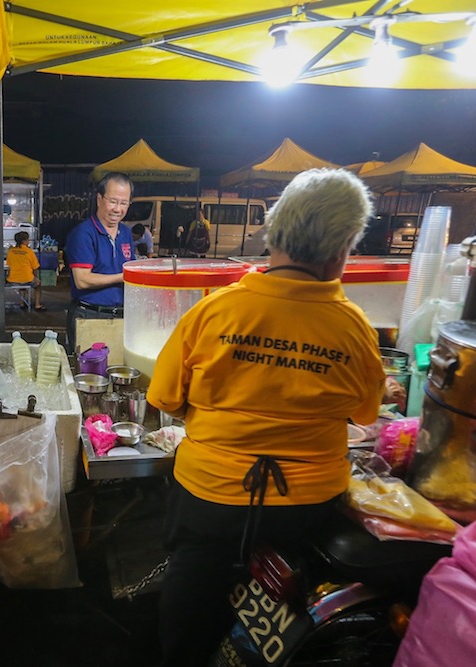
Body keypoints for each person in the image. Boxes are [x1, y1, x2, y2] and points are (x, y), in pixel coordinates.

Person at [147, 169, 387, 667]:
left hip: (211, 496)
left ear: (273, 234)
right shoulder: (354, 327)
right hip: (307, 505)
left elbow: (165, 397)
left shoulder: (217, 310)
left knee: (190, 598)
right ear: (341, 250)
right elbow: (365, 414)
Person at [64, 171, 136, 352]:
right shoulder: (84, 234)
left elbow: (131, 268)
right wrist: (123, 277)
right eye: (113, 201)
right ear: (99, 199)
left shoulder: (126, 233)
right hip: (90, 316)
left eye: (123, 203)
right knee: (91, 374)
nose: (118, 209)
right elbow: (82, 280)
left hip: (120, 316)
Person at [6, 231, 45, 311]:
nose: (28, 242)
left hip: (12, 280)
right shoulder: (29, 252)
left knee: (22, 285)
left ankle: (22, 303)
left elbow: (8, 266)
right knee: (38, 284)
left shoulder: (11, 251)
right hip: (27, 279)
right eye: (28, 240)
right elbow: (35, 267)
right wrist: (35, 277)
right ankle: (37, 305)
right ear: (24, 241)